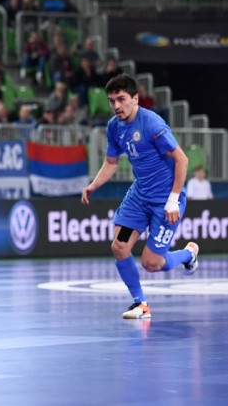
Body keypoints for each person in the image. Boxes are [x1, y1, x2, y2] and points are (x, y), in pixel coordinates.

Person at [81, 74, 199, 320]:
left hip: (165, 201)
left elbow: (182, 160)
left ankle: (188, 254)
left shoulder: (152, 124)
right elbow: (111, 163)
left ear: (135, 99)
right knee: (119, 246)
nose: (116, 106)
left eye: (121, 99)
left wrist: (173, 200)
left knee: (151, 263)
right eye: (112, 101)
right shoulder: (114, 127)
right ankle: (140, 304)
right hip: (139, 198)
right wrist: (93, 185)